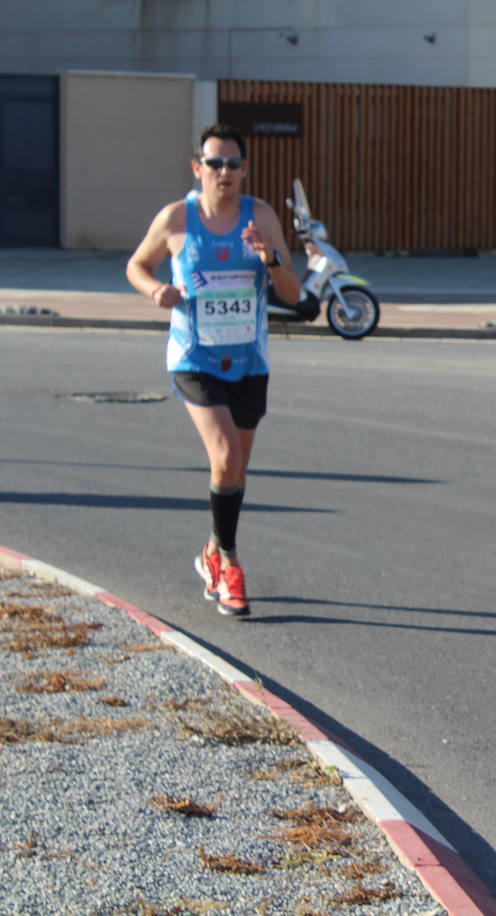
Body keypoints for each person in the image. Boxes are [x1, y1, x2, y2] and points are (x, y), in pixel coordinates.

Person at [126, 123, 300, 616]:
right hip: (194, 356)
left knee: (236, 467)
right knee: (223, 454)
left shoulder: (261, 215)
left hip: (249, 359)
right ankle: (229, 561)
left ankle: (211, 549)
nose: (224, 172)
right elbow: (137, 266)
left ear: (245, 170)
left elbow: (291, 293)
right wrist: (155, 290)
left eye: (233, 164)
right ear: (197, 167)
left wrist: (270, 259)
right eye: (215, 163)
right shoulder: (177, 219)